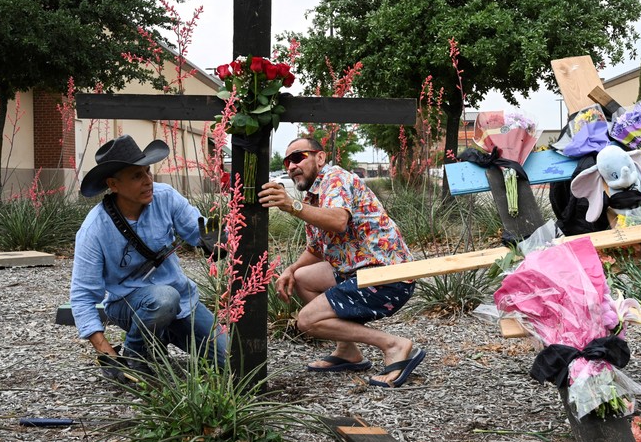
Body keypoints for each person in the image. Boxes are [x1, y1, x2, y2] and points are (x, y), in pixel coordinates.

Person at [258, 137, 425, 387]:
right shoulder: (312, 199)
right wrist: (291, 269)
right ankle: (347, 351)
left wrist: (291, 206)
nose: (291, 166)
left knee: (307, 321)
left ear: (320, 158)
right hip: (358, 270)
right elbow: (316, 250)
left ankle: (393, 344)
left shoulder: (334, 178)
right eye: (286, 161)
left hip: (387, 277)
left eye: (298, 157)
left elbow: (338, 221)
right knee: (301, 278)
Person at [70, 135, 227, 380]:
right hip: (130, 305)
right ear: (113, 184)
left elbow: (201, 229)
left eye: (148, 171)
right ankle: (135, 354)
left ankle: (161, 335)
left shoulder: (166, 197)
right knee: (164, 298)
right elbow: (82, 297)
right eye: (137, 176)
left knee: (231, 360)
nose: (148, 181)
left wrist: (227, 234)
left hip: (184, 303)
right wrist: (106, 352)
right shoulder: (94, 229)